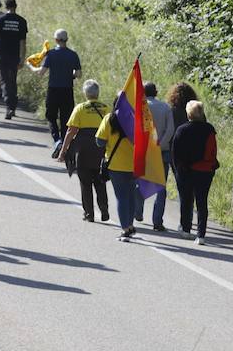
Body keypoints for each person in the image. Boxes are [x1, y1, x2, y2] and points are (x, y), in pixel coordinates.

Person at [58, 80, 110, 222]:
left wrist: (63, 151)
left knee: (85, 182)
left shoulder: (80, 108)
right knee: (100, 180)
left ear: (85, 94)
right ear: (97, 93)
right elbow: (111, 129)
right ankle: (104, 210)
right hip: (100, 147)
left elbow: (71, 131)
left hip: (83, 148)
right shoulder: (106, 108)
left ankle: (89, 213)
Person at [171, 101, 220, 245]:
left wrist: (179, 169)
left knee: (186, 200)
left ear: (188, 114)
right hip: (205, 171)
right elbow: (213, 150)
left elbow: (176, 153)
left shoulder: (181, 130)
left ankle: (186, 229)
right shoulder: (209, 129)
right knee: (202, 202)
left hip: (186, 171)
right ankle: (201, 234)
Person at [31, 29, 81, 157]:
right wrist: (71, 75)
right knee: (66, 118)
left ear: (56, 40)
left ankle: (57, 141)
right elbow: (78, 74)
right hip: (67, 90)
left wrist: (31, 67)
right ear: (67, 40)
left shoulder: (51, 54)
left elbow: (41, 72)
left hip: (53, 89)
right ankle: (64, 146)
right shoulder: (73, 55)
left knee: (51, 117)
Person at [134, 82, 175, 230]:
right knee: (161, 186)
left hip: (143, 151)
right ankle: (157, 221)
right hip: (162, 151)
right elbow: (170, 129)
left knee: (141, 181)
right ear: (156, 92)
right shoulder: (165, 107)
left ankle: (138, 212)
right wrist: (161, 144)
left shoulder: (140, 106)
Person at [96, 96, 136, 242]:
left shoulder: (109, 119)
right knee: (131, 196)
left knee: (121, 197)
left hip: (115, 164)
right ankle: (130, 225)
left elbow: (99, 142)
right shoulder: (135, 119)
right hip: (133, 164)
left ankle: (125, 229)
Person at [0, 0, 27, 119]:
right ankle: (13, 105)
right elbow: (23, 42)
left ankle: (9, 107)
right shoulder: (21, 21)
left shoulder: (0, 19)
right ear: (15, 6)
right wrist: (22, 58)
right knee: (13, 80)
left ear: (5, 6)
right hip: (15, 56)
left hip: (2, 55)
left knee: (5, 81)